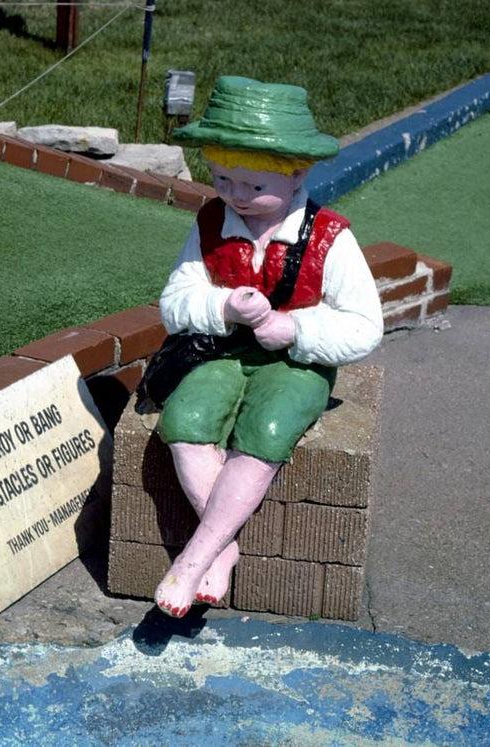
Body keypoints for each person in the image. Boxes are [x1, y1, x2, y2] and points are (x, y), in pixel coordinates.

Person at [143, 76, 383, 618]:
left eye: (253, 187)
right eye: (222, 178)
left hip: (294, 364)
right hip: (224, 354)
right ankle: (221, 551)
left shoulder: (329, 238)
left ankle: (191, 560)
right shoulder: (211, 223)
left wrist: (294, 330)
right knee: (185, 419)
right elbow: (175, 301)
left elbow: (366, 327)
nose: (234, 196)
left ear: (299, 173)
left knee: (268, 429)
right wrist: (222, 308)